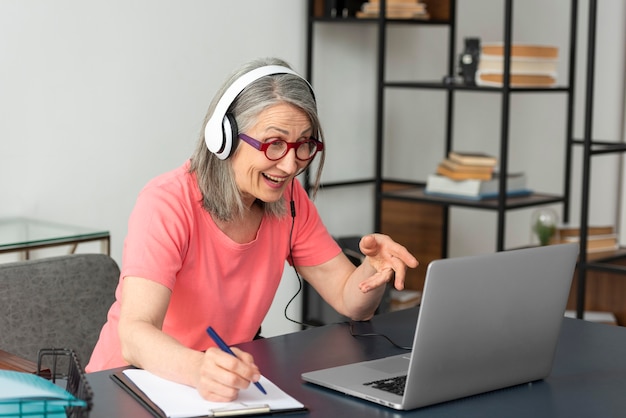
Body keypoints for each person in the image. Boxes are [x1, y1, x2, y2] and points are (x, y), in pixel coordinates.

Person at [86, 57, 418, 402]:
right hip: (127, 387)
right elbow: (135, 333)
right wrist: (199, 369)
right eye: (274, 143)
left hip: (219, 389)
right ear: (223, 138)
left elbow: (352, 302)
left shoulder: (289, 201)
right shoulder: (166, 203)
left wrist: (373, 270)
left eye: (303, 145)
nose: (290, 165)